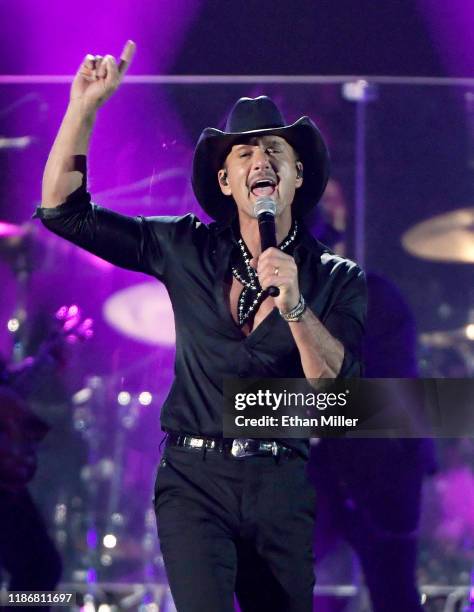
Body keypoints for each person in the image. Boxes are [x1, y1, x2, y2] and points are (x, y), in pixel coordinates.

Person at [35, 41, 366, 612]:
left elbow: (339, 405)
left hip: (279, 483)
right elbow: (65, 212)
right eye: (243, 154)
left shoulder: (336, 278)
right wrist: (83, 109)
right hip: (194, 480)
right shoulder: (185, 246)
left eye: (273, 149)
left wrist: (295, 308)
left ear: (296, 175)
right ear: (226, 181)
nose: (259, 160)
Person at [308, 179, 437, 612]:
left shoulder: (376, 299)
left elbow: (389, 403)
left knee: (393, 591)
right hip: (321, 471)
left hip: (382, 472)